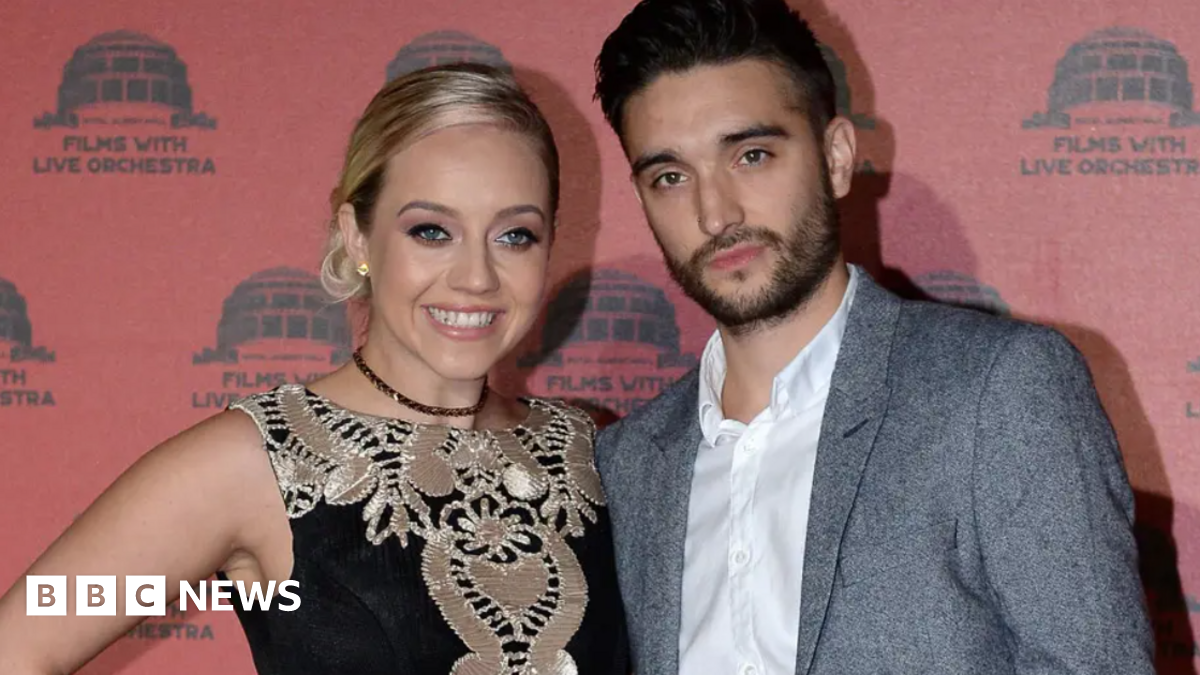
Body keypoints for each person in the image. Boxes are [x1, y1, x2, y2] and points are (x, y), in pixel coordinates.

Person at [0, 63, 629, 675]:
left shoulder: (587, 449)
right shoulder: (250, 462)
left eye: (514, 235)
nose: (475, 277)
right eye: (432, 231)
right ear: (357, 235)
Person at [590, 1, 1154, 673]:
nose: (716, 213)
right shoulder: (627, 464)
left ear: (835, 158)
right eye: (671, 176)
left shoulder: (997, 392)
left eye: (752, 155)